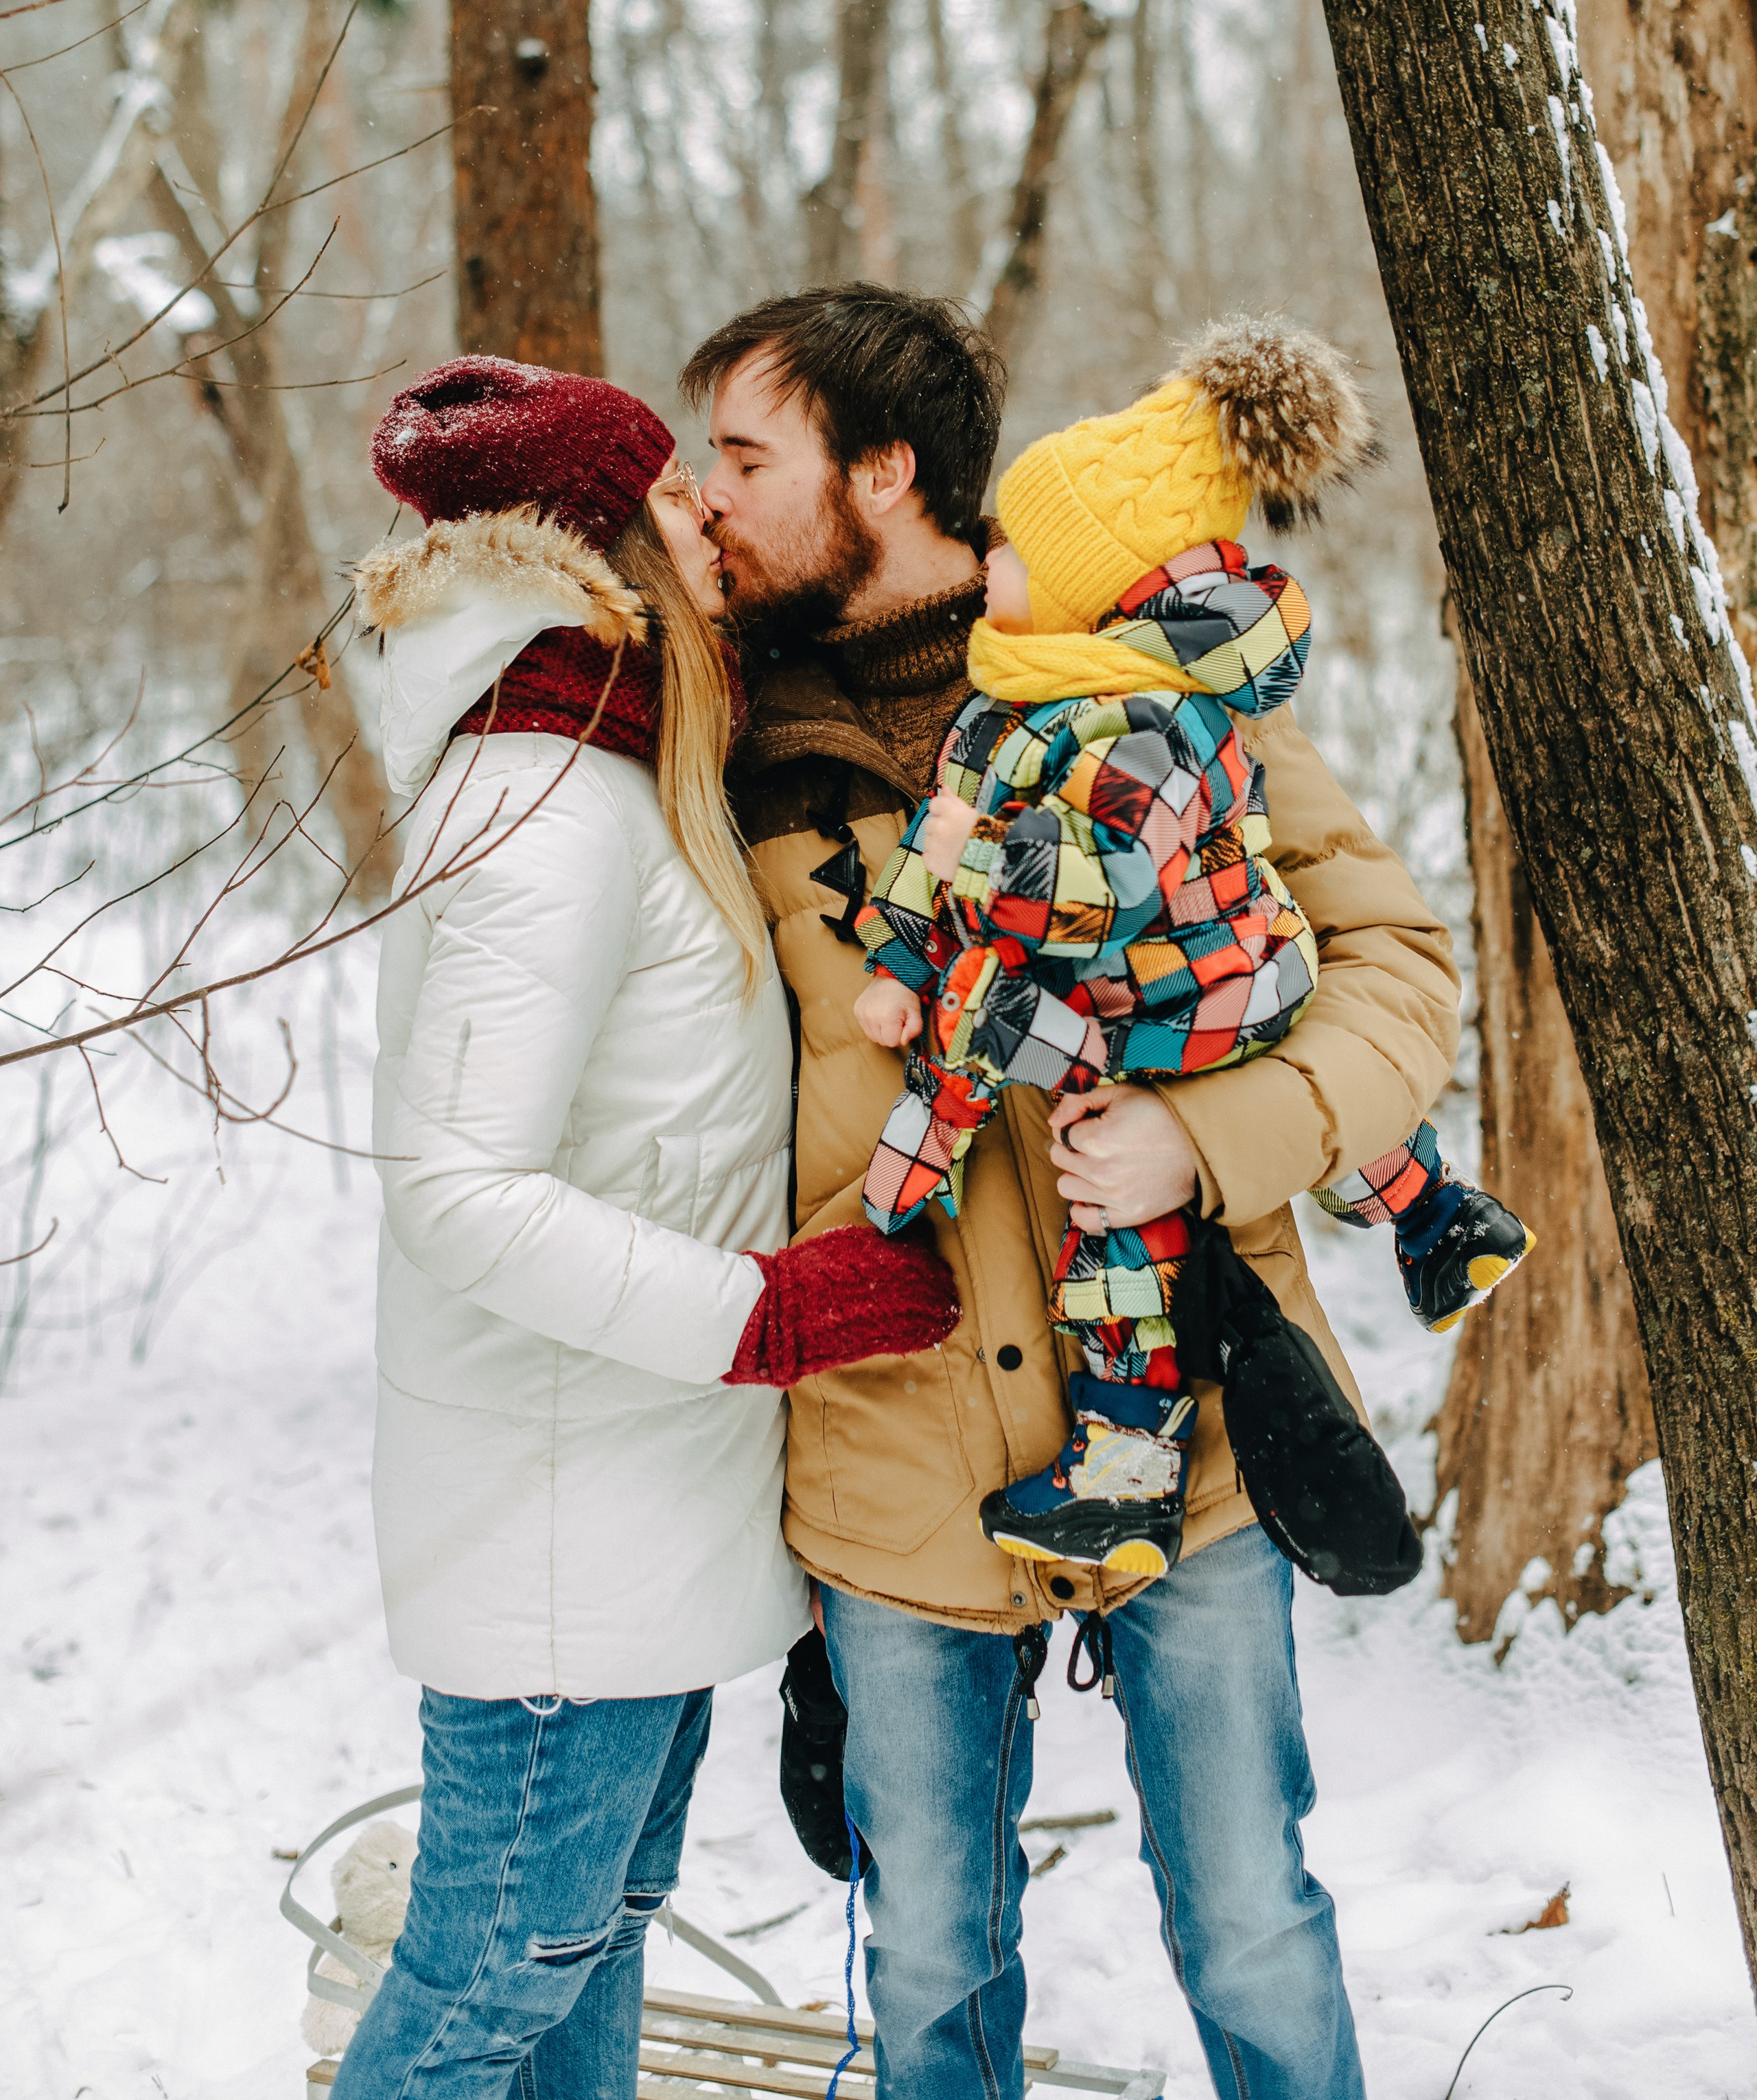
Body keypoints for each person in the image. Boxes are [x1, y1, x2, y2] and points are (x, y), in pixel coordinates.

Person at [681, 284, 1463, 2100]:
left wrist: (1215, 1136)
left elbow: (1401, 966)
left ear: (882, 475)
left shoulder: (1146, 669)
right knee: (935, 1961)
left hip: (1180, 1432)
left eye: (742, 456)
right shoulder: (717, 757)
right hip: (892, 1468)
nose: (707, 497)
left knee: (1252, 1916)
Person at [334, 355, 959, 2100]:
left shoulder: (620, 775)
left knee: (581, 1959)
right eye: (677, 492)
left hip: (633, 1513)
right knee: (483, 1993)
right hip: (562, 1548)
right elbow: (459, 1192)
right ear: (600, 544)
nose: (709, 512)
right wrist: (764, 1315)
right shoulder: (539, 810)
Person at [851, 322, 1532, 1577]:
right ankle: (1436, 1218)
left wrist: (966, 861)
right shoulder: (1023, 693)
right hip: (1163, 987)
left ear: (1085, 584)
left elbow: (1092, 886)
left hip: (1202, 991)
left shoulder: (1157, 722)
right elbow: (957, 830)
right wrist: (902, 956)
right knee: (1103, 1156)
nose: (986, 559)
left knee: (1112, 1208)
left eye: (1012, 546)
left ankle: (1129, 1470)